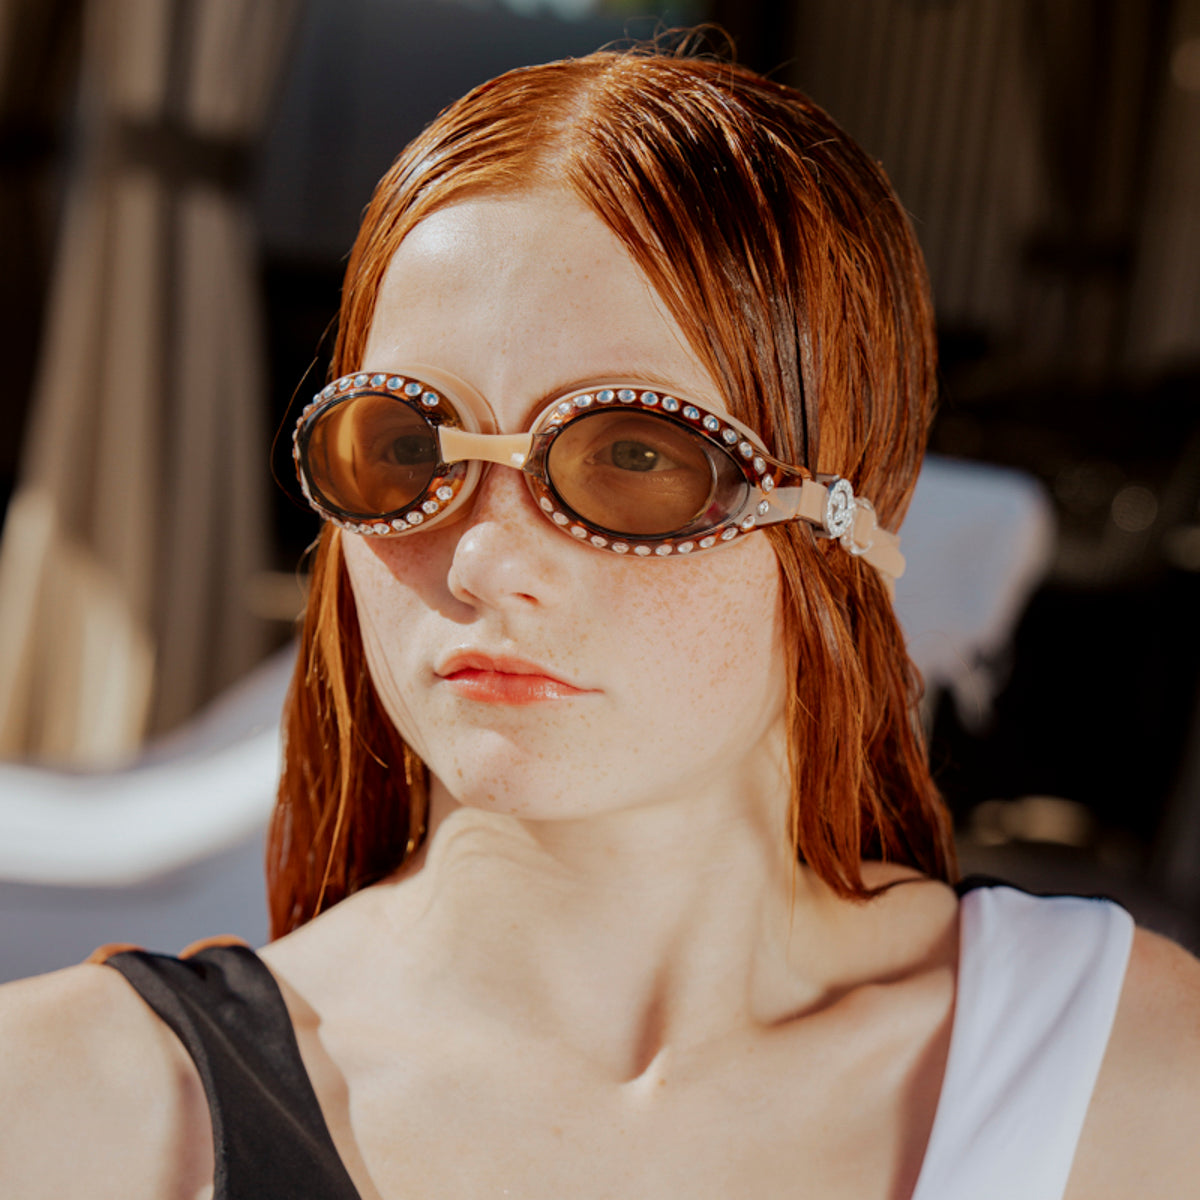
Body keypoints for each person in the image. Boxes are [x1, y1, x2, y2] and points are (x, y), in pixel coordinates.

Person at [2, 43, 1198, 1200]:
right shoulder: (73, 1114)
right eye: (408, 451)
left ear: (850, 524)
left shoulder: (1117, 1075)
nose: (480, 559)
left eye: (635, 454)